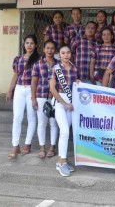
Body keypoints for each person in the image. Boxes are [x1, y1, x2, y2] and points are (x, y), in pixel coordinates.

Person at [6, 35, 40, 159]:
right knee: (17, 118)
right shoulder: (18, 59)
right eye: (27, 43)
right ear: (24, 44)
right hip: (19, 89)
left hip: (32, 90)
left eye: (32, 43)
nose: (29, 45)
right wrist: (10, 90)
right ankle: (15, 145)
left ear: (36, 45)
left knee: (31, 117)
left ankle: (27, 143)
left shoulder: (38, 59)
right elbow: (15, 75)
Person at [49, 45, 77, 177]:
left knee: (65, 132)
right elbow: (52, 89)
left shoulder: (74, 68)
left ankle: (63, 160)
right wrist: (64, 103)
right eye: (63, 53)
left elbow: (74, 85)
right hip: (61, 103)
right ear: (59, 55)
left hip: (71, 104)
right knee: (65, 131)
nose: (66, 55)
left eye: (68, 52)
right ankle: (61, 162)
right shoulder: (56, 69)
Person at [31, 40, 58, 158]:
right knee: (42, 123)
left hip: (55, 97)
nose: (50, 50)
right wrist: (33, 98)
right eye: (47, 48)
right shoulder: (38, 64)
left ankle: (52, 147)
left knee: (53, 123)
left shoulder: (59, 64)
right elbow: (34, 82)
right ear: (44, 49)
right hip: (41, 96)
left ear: (55, 50)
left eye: (52, 48)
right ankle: (42, 147)